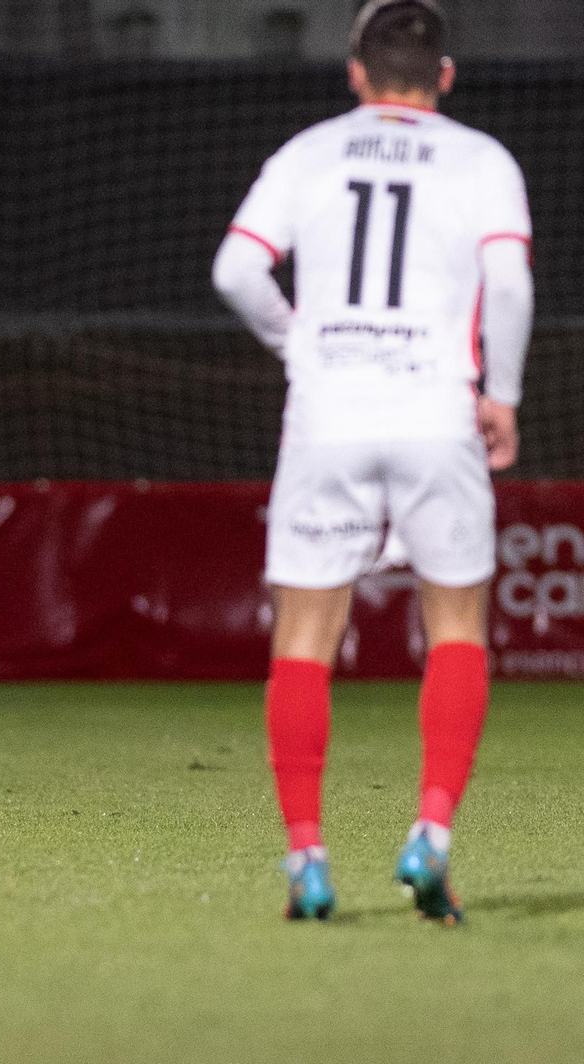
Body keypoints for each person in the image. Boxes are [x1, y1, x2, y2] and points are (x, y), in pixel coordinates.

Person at [212, 0, 532, 923]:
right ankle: (430, 836)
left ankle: (308, 860)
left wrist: (297, 341)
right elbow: (508, 283)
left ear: (354, 72)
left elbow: (236, 270)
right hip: (436, 412)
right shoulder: (482, 161)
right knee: (459, 625)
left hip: (330, 415)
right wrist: (499, 394)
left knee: (305, 639)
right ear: (446, 76)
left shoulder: (309, 154)